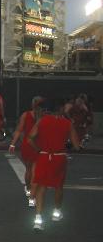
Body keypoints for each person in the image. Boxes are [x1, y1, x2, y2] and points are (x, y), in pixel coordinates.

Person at [28, 99, 79, 232]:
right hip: (59, 157)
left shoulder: (42, 121)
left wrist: (38, 149)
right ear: (61, 109)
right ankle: (56, 212)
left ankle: (38, 219)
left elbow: (30, 138)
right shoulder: (67, 123)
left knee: (41, 187)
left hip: (44, 155)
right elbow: (76, 145)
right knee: (58, 186)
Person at [9, 96, 44, 206]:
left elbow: (19, 130)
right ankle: (32, 195)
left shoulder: (26, 115)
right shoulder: (45, 116)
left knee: (28, 168)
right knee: (35, 170)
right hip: (39, 144)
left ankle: (28, 189)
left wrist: (12, 144)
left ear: (32, 104)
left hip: (27, 144)